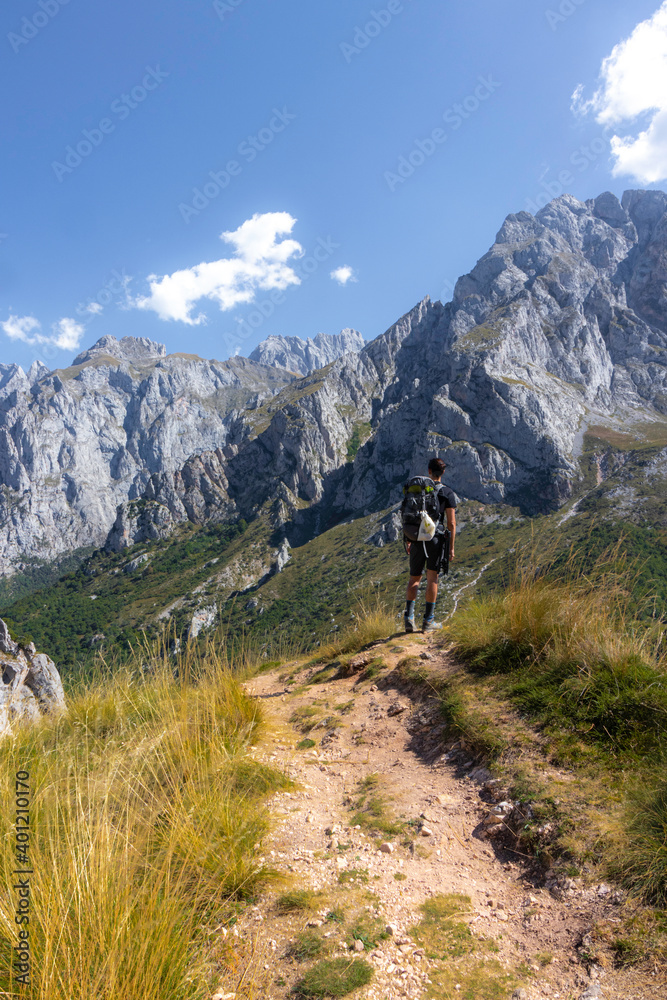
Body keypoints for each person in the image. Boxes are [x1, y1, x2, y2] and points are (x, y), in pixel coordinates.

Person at [403, 457, 456, 633]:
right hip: (435, 538)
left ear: (429, 471)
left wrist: (408, 539)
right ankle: (428, 621)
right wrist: (451, 547)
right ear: (444, 472)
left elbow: (408, 515)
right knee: (432, 577)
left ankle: (409, 619)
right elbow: (452, 524)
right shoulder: (447, 493)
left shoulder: (418, 490)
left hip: (417, 537)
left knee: (414, 577)